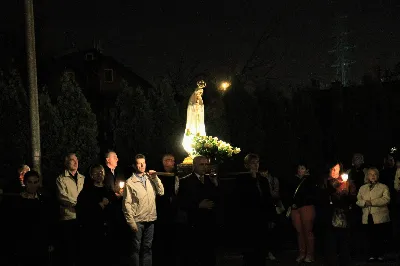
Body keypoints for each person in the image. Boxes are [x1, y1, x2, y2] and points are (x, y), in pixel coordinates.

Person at [178, 155, 220, 266]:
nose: (205, 167)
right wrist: (197, 205)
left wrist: (215, 183)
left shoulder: (210, 180)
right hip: (194, 223)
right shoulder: (185, 181)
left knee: (209, 255)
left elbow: (218, 198)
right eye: (202, 164)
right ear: (194, 165)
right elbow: (181, 202)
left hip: (209, 223)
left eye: (206, 164)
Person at [123, 154, 164, 266]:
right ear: (134, 165)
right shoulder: (130, 182)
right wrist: (131, 222)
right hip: (138, 220)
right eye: (139, 163)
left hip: (150, 219)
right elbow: (126, 204)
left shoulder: (150, 178)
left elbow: (161, 192)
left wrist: (155, 178)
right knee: (135, 249)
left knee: (147, 248)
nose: (142, 165)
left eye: (144, 162)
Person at [76, 164, 115, 265]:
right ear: (91, 175)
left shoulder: (109, 190)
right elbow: (82, 211)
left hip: (108, 233)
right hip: (92, 233)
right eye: (96, 173)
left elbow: (114, 209)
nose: (99, 175)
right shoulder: (86, 192)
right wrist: (100, 206)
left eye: (101, 172)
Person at [356, 167, 390, 262]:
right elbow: (358, 200)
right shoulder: (362, 188)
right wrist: (364, 203)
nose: (373, 176)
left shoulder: (383, 187)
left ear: (378, 176)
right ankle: (371, 254)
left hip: (380, 216)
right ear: (367, 176)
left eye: (375, 174)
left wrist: (371, 202)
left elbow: (386, 199)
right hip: (368, 216)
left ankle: (380, 255)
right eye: (371, 174)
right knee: (369, 236)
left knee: (379, 236)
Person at [182, 81, 206, 154]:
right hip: (192, 121)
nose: (199, 95)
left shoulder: (200, 103)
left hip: (199, 122)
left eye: (200, 93)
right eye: (198, 93)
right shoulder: (191, 104)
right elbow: (190, 110)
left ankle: (199, 151)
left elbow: (202, 111)